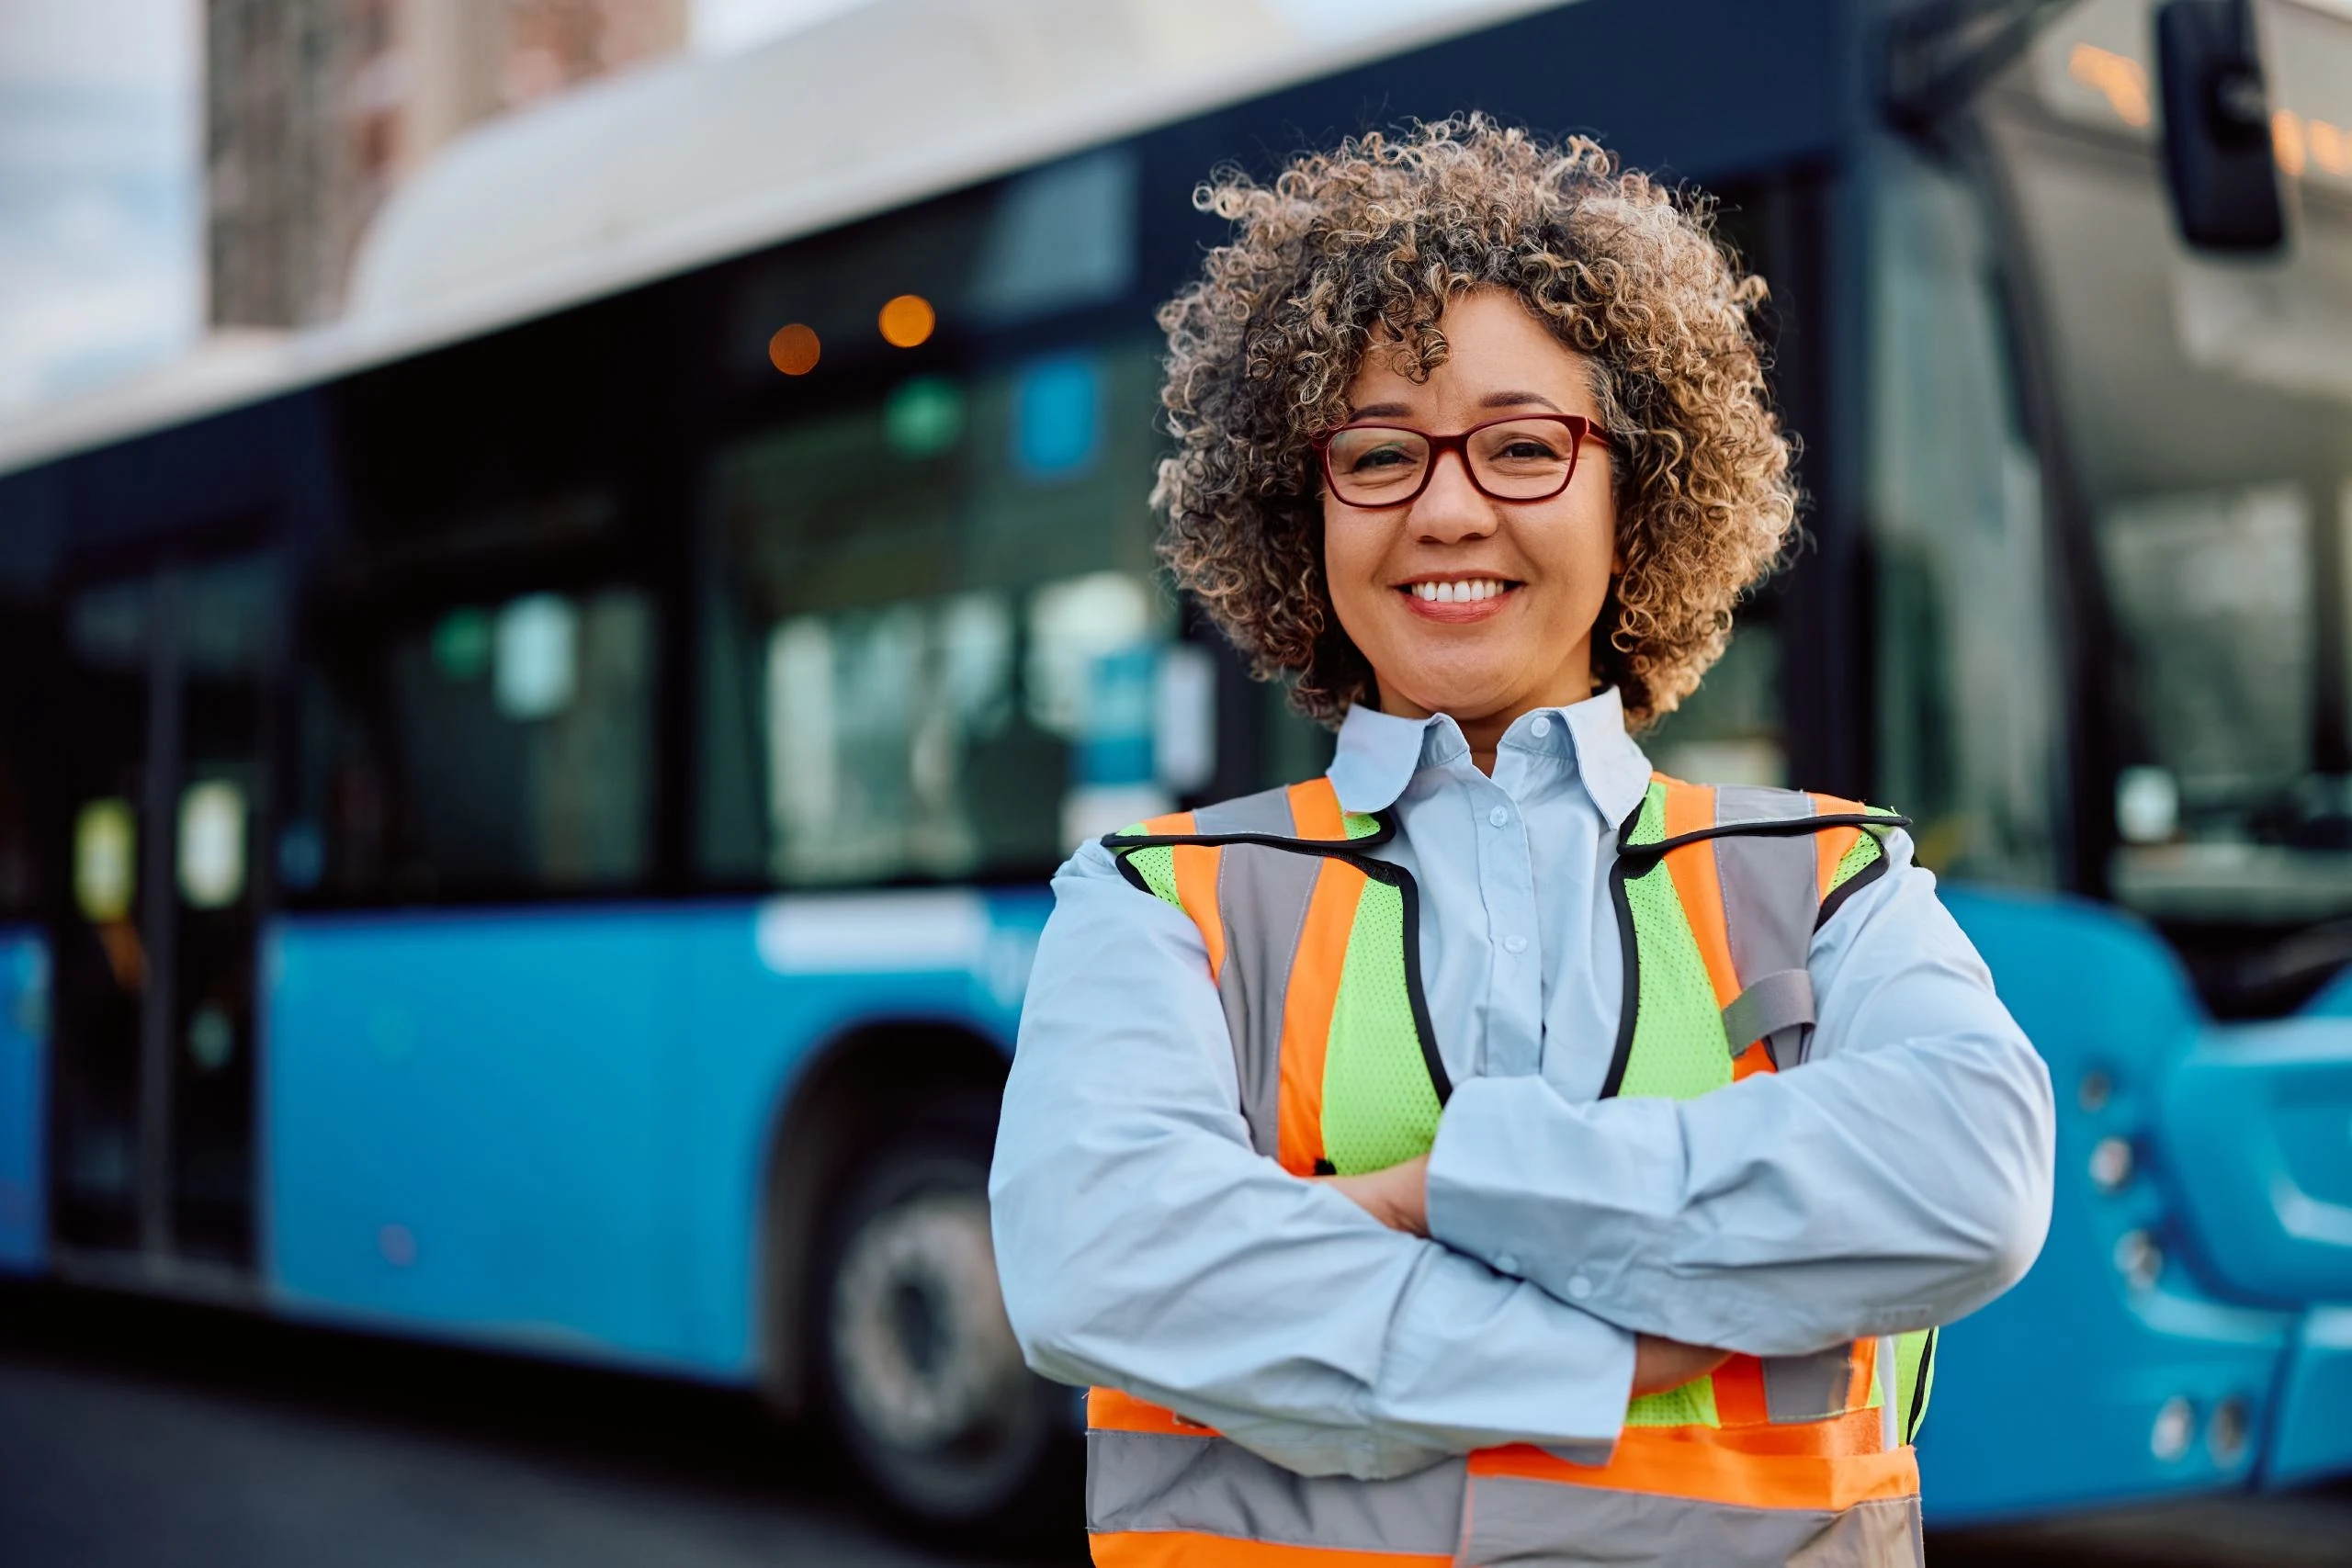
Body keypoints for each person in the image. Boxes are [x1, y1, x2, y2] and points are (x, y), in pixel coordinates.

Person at [989, 117, 2055, 1568]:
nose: (1445, 506)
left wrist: (1445, 1192)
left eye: (1523, 446)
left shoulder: (1832, 880)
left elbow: (1970, 1179)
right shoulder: (1154, 898)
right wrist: (1628, 1343)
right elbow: (1093, 1266)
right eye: (1377, 452)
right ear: (1303, 511)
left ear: (1642, 493)